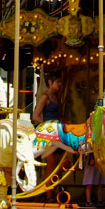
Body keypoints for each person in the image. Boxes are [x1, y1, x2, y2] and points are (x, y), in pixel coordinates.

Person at [33, 73, 65, 201]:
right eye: (58, 82)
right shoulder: (45, 97)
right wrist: (46, 126)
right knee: (51, 164)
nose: (60, 85)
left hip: (57, 133)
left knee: (60, 163)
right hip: (48, 134)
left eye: (61, 83)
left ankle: (54, 187)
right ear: (50, 82)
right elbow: (35, 116)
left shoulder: (56, 97)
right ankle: (48, 193)